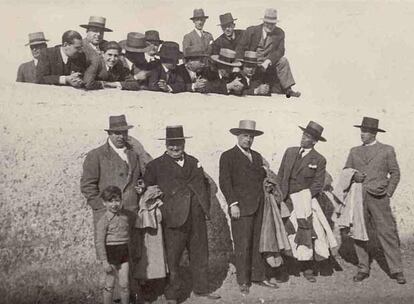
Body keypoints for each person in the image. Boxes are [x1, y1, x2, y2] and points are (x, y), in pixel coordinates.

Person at [144, 125, 220, 304]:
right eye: (171, 144)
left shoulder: (194, 162)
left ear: (184, 143)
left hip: (196, 218)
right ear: (166, 144)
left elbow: (205, 185)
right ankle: (172, 295)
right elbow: (147, 189)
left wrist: (203, 207)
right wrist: (162, 207)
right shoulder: (155, 165)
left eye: (178, 143)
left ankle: (201, 290)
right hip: (173, 219)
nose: (175, 148)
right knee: (173, 258)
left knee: (200, 254)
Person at [343, 117, 406, 284]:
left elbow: (395, 173)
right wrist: (353, 175)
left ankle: (396, 270)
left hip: (379, 197)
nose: (362, 134)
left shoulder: (386, 150)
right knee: (359, 232)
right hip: (358, 197)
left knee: (387, 232)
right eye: (361, 131)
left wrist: (389, 193)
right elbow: (346, 170)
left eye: (365, 132)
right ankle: (363, 268)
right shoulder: (354, 151)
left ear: (373, 133)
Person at [219, 120, 277, 295]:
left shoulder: (257, 156)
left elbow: (261, 177)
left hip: (258, 206)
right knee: (242, 244)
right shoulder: (228, 156)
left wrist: (267, 184)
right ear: (238, 136)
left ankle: (259, 276)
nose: (248, 140)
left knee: (257, 242)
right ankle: (243, 281)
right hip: (241, 208)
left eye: (251, 137)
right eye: (245, 136)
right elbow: (225, 182)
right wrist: (233, 204)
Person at [276, 121, 337, 283]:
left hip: (305, 202)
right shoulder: (290, 152)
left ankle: (308, 268)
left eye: (308, 137)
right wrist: (278, 197)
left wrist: (304, 198)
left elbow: (318, 183)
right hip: (287, 200)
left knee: (307, 233)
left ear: (315, 141)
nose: (303, 138)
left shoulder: (319, 159)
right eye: (304, 135)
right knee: (286, 232)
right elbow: (281, 174)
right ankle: (287, 267)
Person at [236, 8, 300, 98]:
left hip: (268, 67)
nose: (270, 26)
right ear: (263, 22)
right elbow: (240, 48)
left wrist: (268, 61)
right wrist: (240, 66)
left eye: (272, 24)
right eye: (267, 23)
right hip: (252, 66)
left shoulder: (280, 33)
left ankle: (288, 89)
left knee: (283, 61)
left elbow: (281, 51)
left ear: (275, 23)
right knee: (252, 89)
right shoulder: (251, 31)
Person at [95, 186, 136, 304]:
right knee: (109, 284)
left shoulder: (125, 218)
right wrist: (104, 261)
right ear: (104, 203)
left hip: (124, 254)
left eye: (117, 200)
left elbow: (128, 237)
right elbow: (100, 242)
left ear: (121, 201)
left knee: (125, 284)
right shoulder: (103, 221)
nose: (114, 204)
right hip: (110, 254)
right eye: (110, 201)